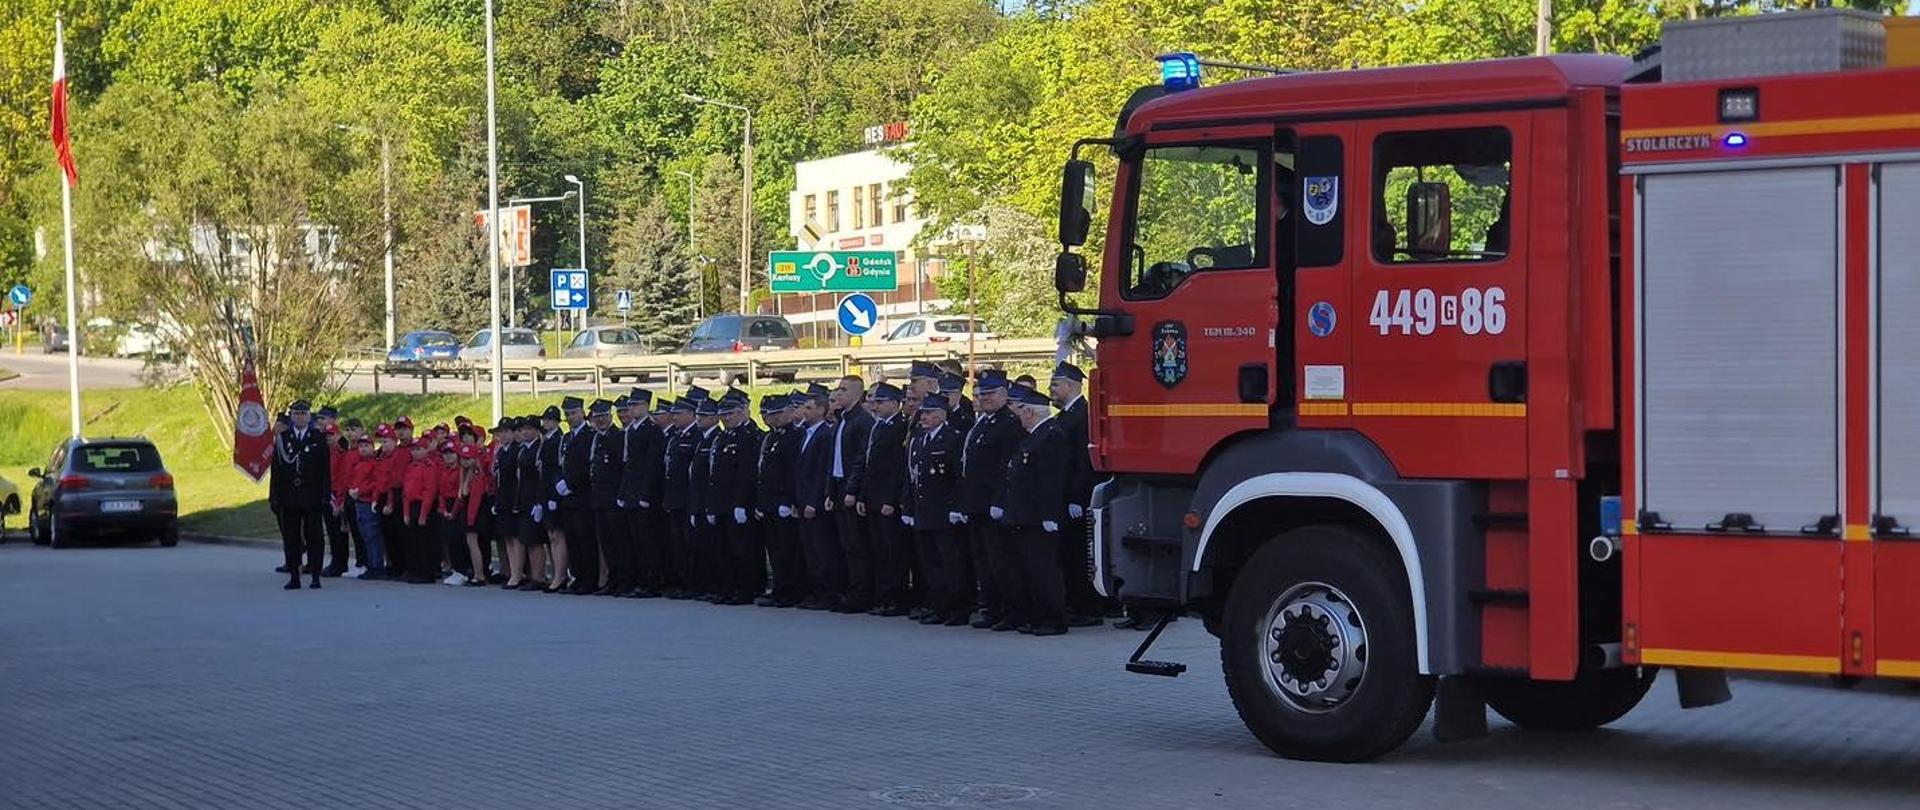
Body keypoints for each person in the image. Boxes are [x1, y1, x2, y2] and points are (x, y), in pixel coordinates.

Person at [996, 383, 1070, 635]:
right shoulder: (1034, 437)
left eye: (1023, 410)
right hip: (1025, 515)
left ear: (1033, 412)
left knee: (1044, 569)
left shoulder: (1051, 435)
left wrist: (1049, 515)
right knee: (1029, 569)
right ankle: (1038, 616)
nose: (1019, 415)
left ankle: (1053, 619)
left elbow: (1052, 480)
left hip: (1039, 517)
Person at [960, 370, 1024, 630]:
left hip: (994, 506)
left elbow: (1005, 469)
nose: (985, 398)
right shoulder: (983, 423)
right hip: (976, 504)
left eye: (990, 393)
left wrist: (999, 501)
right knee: (983, 562)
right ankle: (992, 609)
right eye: (982, 394)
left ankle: (1011, 612)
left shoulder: (1010, 424)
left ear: (1004, 394)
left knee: (1002, 563)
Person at [906, 391, 969, 625]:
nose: (924, 417)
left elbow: (959, 478)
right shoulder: (918, 439)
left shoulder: (953, 438)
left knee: (951, 563)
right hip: (924, 510)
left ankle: (957, 608)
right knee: (930, 564)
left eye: (930, 413)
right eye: (923, 413)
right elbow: (912, 477)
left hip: (945, 511)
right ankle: (938, 606)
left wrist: (956, 507)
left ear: (942, 415)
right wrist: (908, 508)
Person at [1050, 361, 1104, 627]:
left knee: (1079, 554)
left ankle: (1088, 608)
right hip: (1064, 495)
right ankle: (1074, 603)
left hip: (1078, 496)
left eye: (1056, 384)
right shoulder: (1064, 416)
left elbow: (1083, 461)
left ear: (1071, 386)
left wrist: (1076, 497)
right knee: (1068, 554)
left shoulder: (1083, 415)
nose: (1052, 389)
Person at [859, 382, 912, 616]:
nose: (875, 406)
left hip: (887, 500)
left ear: (894, 403)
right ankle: (883, 596)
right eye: (873, 402)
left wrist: (891, 500)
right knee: (879, 550)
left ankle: (896, 598)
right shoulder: (879, 427)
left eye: (880, 402)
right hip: (873, 497)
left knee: (893, 552)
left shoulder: (900, 427)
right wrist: (862, 495)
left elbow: (897, 469)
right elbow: (869, 465)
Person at [709, 390, 763, 605]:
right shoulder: (723, 436)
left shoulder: (748, 437)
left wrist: (741, 503)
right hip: (722, 502)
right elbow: (715, 475)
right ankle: (728, 587)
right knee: (724, 549)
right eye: (722, 414)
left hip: (739, 503)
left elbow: (747, 474)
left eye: (730, 413)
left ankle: (745, 589)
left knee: (742, 549)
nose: (726, 418)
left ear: (742, 412)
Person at [826, 375, 874, 613]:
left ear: (855, 393)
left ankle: (861, 594)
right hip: (837, 487)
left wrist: (853, 490)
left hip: (850, 490)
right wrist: (829, 491)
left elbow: (860, 460)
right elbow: (834, 459)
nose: (839, 393)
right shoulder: (842, 420)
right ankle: (848, 589)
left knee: (857, 546)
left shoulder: (862, 421)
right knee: (845, 545)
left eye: (843, 390)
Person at [273, 400, 331, 590]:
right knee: (292, 537)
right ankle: (294, 575)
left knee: (315, 537)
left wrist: (325, 495)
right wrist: (275, 496)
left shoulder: (318, 437)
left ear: (309, 416)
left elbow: (325, 470)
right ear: (291, 417)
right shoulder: (283, 438)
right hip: (290, 496)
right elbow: (277, 470)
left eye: (303, 414)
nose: (299, 417)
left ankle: (315, 574)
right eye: (296, 414)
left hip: (312, 495)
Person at [754, 394, 805, 607]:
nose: (771, 419)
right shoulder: (771, 437)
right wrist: (760, 503)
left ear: (790, 412)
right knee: (774, 549)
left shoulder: (795, 436)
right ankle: (779, 588)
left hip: (784, 501)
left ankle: (791, 590)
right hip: (768, 502)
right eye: (767, 414)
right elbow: (762, 473)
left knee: (788, 550)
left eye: (777, 413)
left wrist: (788, 500)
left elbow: (793, 472)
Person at [793, 384, 840, 610]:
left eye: (810, 408)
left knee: (823, 550)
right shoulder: (805, 433)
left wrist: (813, 501)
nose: (805, 412)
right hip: (802, 501)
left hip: (815, 503)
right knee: (809, 550)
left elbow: (822, 471)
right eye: (804, 407)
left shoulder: (825, 434)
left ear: (822, 410)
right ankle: (815, 590)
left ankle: (827, 592)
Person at [618, 389, 666, 598]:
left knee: (648, 541)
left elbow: (653, 466)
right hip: (631, 493)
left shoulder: (652, 430)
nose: (632, 409)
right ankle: (640, 579)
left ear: (647, 406)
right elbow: (628, 465)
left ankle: (652, 581)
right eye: (631, 405)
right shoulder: (631, 430)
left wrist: (646, 495)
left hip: (645, 495)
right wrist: (623, 492)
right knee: (634, 540)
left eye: (636, 405)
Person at [661, 392, 704, 598]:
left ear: (690, 413)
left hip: (689, 499)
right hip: (675, 499)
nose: (674, 417)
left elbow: (696, 472)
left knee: (691, 545)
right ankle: (682, 581)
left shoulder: (696, 436)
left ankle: (693, 583)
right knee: (677, 544)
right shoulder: (677, 436)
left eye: (678, 414)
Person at [586, 398, 629, 596]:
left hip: (613, 498)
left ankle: (623, 579)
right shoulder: (596, 438)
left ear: (610, 416)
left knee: (619, 542)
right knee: (606, 542)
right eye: (597, 417)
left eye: (603, 416)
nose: (600, 420)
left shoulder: (618, 437)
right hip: (598, 498)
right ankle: (612, 579)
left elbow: (622, 469)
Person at [556, 396, 597, 594]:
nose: (570, 417)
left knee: (585, 539)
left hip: (583, 495)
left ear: (582, 412)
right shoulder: (567, 437)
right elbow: (561, 464)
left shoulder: (589, 435)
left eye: (573, 413)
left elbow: (588, 466)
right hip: (568, 497)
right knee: (572, 539)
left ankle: (588, 580)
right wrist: (560, 482)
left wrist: (571, 483)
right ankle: (578, 577)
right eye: (567, 414)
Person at [686, 394, 724, 601]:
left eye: (704, 415)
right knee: (700, 546)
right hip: (699, 501)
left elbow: (712, 475)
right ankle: (705, 585)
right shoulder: (703, 439)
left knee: (713, 547)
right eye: (698, 415)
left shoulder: (716, 437)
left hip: (710, 501)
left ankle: (715, 585)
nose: (699, 418)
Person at [346, 434, 390, 580]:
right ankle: (371, 563)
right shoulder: (359, 465)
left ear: (373, 447)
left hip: (369, 502)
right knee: (365, 535)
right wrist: (351, 489)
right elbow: (352, 480)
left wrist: (361, 491)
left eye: (366, 446)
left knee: (373, 535)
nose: (363, 449)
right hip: (359, 502)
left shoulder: (375, 464)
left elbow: (376, 483)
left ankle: (377, 565)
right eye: (361, 446)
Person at [400, 438, 443, 584]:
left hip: (423, 506)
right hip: (411, 505)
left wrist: (423, 515)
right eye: (413, 450)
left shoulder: (429, 466)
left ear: (426, 450)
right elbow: (406, 492)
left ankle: (426, 572)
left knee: (425, 541)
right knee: (413, 541)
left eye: (419, 449)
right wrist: (406, 513)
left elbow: (429, 491)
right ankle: (415, 570)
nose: (415, 452)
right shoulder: (410, 467)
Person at [537, 405, 570, 592]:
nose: (546, 422)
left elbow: (557, 470)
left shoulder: (558, 439)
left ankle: (560, 575)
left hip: (554, 493)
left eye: (550, 419)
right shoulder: (547, 440)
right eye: (545, 419)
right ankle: (557, 573)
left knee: (557, 536)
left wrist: (555, 497)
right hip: (545, 492)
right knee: (551, 535)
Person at [494, 417, 527, 589]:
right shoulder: (501, 452)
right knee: (507, 536)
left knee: (516, 537)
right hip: (503, 498)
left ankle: (517, 573)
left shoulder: (517, 451)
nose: (504, 435)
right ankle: (514, 571)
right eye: (501, 432)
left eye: (507, 432)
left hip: (514, 497)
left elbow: (518, 479)